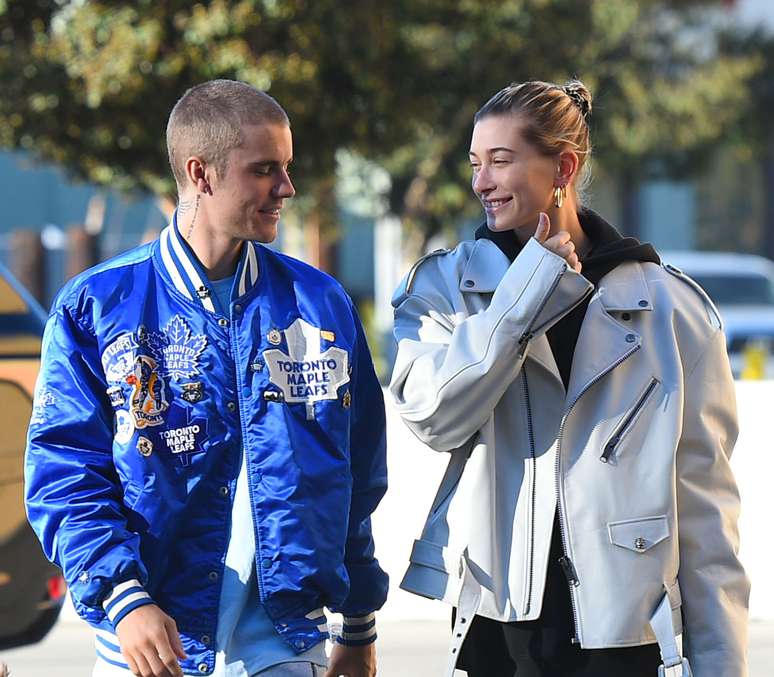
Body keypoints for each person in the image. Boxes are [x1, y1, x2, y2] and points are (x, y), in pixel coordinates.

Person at [25, 79, 387, 677]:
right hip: (148, 646)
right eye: (266, 169)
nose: (287, 188)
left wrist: (358, 620)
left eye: (287, 167)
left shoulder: (319, 303)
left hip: (286, 646)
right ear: (201, 173)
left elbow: (354, 471)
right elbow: (65, 475)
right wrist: (123, 598)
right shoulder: (95, 305)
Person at [389, 80, 749, 677]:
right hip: (499, 628)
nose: (481, 183)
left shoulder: (674, 310)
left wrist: (721, 666)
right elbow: (434, 416)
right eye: (476, 163)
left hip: (628, 634)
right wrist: (528, 288)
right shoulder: (445, 290)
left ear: (564, 167)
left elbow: (707, 515)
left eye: (501, 161)